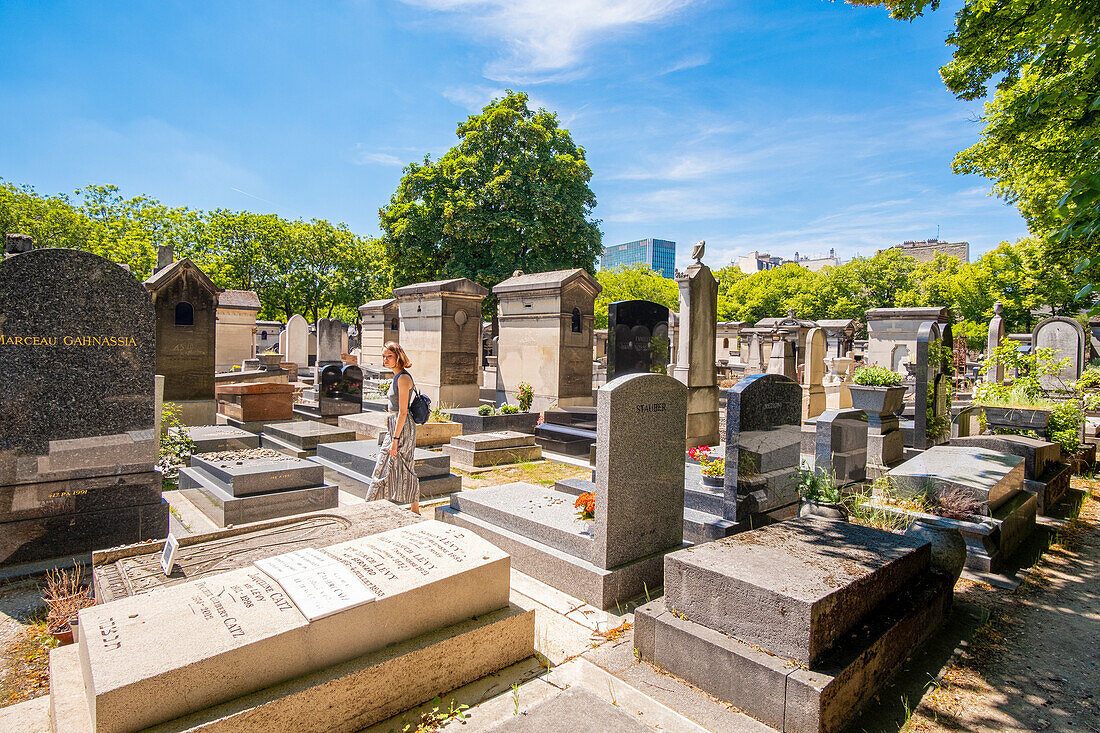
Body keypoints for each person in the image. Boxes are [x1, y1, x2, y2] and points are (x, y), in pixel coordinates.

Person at [368, 342, 420, 514]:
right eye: (383, 356)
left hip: (402, 427)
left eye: (389, 356)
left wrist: (395, 439)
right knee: (394, 466)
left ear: (398, 356)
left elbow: (403, 412)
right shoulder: (396, 377)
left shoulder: (404, 378)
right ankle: (413, 509)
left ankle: (369, 506)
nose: (385, 359)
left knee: (400, 466)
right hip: (395, 425)